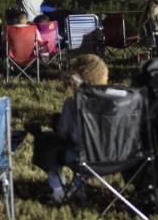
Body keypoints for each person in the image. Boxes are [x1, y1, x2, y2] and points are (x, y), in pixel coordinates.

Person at [34, 54, 110, 204]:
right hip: (115, 157)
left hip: (82, 157)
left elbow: (63, 133)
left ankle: (58, 191)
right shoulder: (116, 102)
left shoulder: (72, 103)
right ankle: (77, 188)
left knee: (48, 145)